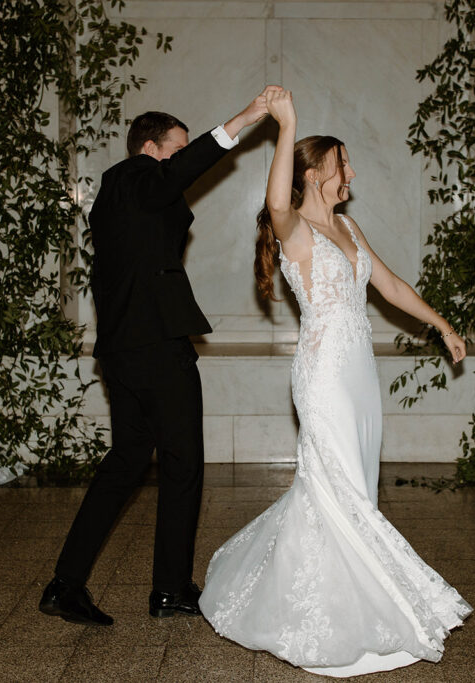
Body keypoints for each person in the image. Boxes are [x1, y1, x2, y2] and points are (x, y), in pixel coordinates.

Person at [198, 89, 472, 677]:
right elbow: (275, 205)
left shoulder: (348, 226)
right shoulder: (295, 231)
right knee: (334, 486)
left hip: (360, 377)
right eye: (343, 162)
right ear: (317, 171)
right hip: (322, 376)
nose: (351, 172)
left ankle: (355, 598)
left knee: (356, 487)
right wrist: (285, 125)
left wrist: (441, 324)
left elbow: (392, 286)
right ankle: (330, 613)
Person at [40, 87, 279, 626]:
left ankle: (65, 583)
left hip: (125, 350)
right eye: (178, 146)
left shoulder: (130, 199)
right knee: (182, 464)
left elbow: (164, 210)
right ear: (151, 148)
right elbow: (174, 176)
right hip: (153, 347)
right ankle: (169, 589)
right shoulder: (132, 176)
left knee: (126, 461)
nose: (182, 154)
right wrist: (242, 119)